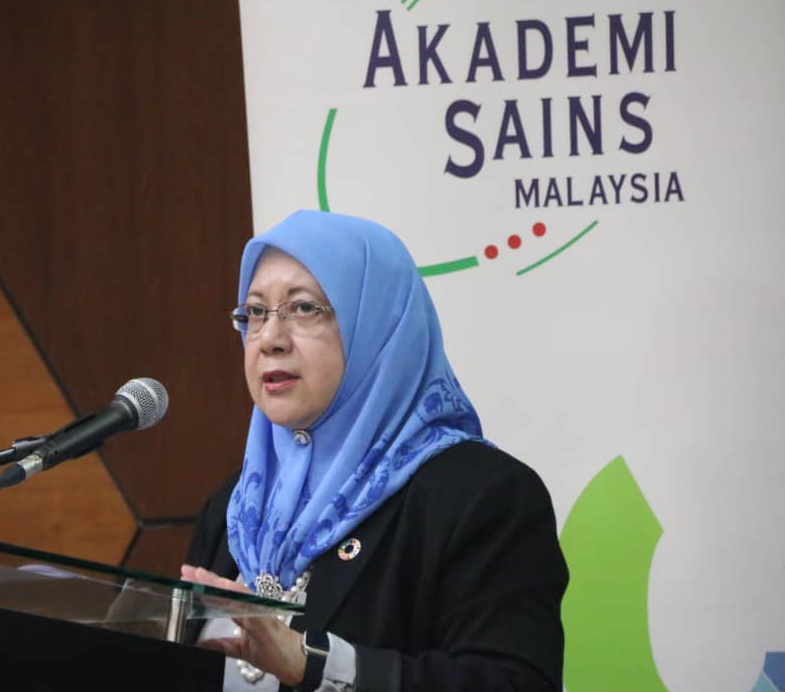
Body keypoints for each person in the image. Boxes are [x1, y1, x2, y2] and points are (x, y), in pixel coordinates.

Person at [181, 210, 568, 691]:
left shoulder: (480, 497)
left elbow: (514, 684)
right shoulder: (238, 509)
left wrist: (313, 664)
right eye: (256, 312)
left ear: (377, 325)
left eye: (303, 308)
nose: (270, 340)